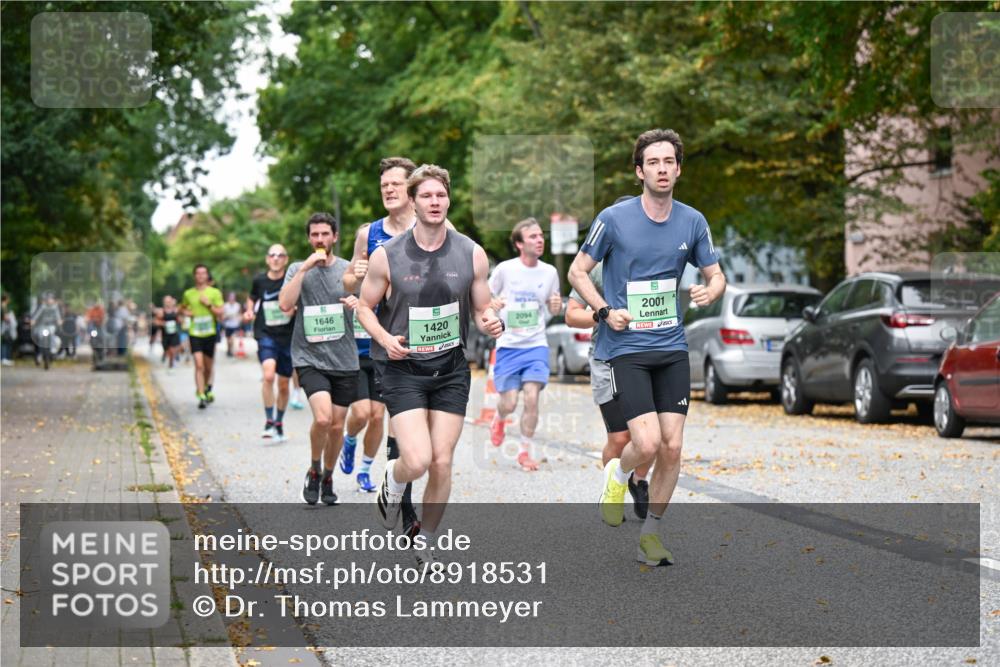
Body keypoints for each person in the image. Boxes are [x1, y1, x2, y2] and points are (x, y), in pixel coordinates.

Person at [568, 129, 726, 566]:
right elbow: (578, 272)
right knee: (648, 442)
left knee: (673, 448)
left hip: (671, 347)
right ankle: (619, 474)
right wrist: (603, 311)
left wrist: (711, 291)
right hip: (627, 349)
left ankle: (651, 534)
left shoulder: (692, 221)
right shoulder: (614, 219)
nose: (661, 169)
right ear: (640, 171)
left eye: (668, 162)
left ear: (678, 169)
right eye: (653, 162)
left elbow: (717, 275)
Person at [357, 164, 503, 568]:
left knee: (442, 460)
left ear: (448, 199)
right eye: (426, 196)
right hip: (403, 368)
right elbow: (365, 309)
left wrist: (493, 321)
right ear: (413, 201)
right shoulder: (387, 255)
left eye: (440, 195)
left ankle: (427, 537)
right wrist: (385, 339)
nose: (434, 202)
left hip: (451, 369)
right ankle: (394, 476)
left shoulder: (470, 252)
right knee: (417, 459)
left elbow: (482, 308)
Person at [342, 156, 418, 502]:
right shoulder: (368, 234)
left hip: (421, 338)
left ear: (411, 187)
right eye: (384, 185)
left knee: (403, 416)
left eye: (395, 184)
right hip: (379, 338)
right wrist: (355, 276)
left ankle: (394, 476)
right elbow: (346, 282)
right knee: (383, 411)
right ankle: (394, 484)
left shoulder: (431, 227)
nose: (388, 189)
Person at [279, 213, 360, 506]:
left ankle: (328, 475)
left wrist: (358, 302)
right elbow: (286, 304)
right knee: (323, 418)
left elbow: (371, 303)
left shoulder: (347, 271)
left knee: (338, 426)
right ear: (309, 238)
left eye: (325, 234)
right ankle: (314, 469)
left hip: (345, 358)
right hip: (308, 356)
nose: (320, 240)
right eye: (315, 235)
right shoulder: (297, 269)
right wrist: (303, 271)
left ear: (335, 237)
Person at [565, 254, 650, 518]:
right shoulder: (596, 269)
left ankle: (639, 479)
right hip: (607, 357)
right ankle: (614, 487)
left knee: (651, 436)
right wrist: (602, 314)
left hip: (648, 357)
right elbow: (571, 315)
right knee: (620, 437)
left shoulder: (653, 260)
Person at [487, 217, 562, 471]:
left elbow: (550, 310)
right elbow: (484, 297)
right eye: (533, 237)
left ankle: (524, 451)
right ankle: (499, 418)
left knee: (531, 398)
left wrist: (555, 308)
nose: (539, 240)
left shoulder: (550, 272)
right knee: (508, 403)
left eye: (541, 236)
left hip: (536, 345)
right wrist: (492, 304)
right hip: (508, 345)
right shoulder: (505, 270)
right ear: (519, 243)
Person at [247, 244, 296, 442]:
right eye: (272, 255)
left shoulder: (291, 280)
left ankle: (279, 422)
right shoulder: (259, 280)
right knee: (268, 376)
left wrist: (294, 308)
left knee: (284, 386)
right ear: (267, 259)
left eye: (280, 255)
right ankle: (268, 420)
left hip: (288, 337)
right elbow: (252, 298)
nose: (276, 259)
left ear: (285, 259)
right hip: (265, 333)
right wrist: (250, 310)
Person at [179, 264, 224, 409]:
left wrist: (209, 305)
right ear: (194, 276)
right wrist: (186, 313)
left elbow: (220, 313)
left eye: (203, 273)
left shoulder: (214, 292)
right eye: (197, 273)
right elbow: (181, 309)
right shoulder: (188, 293)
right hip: (195, 333)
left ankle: (206, 387)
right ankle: (201, 393)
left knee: (208, 367)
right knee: (199, 364)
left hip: (210, 333)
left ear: (207, 275)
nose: (200, 276)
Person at [31, 293, 63, 364]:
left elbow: (58, 316)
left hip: (51, 326)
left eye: (51, 299)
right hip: (42, 326)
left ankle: (52, 350)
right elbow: (37, 314)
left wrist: (59, 321)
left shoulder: (55, 308)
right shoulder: (43, 307)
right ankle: (39, 354)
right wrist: (33, 320)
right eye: (48, 299)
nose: (49, 301)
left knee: (52, 335)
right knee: (39, 337)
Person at [158, 296, 182, 372]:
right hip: (165, 335)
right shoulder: (161, 311)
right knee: (167, 350)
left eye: (169, 301)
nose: (168, 303)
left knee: (172, 350)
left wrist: (180, 320)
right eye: (166, 301)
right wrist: (163, 323)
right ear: (164, 302)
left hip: (174, 334)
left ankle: (171, 365)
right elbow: (156, 321)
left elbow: (180, 320)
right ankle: (165, 355)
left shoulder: (175, 311)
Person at [222, 292, 243, 357]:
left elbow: (240, 314)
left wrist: (240, 319)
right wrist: (225, 317)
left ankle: (231, 350)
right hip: (227, 324)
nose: (231, 299)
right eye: (230, 298)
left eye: (233, 298)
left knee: (232, 338)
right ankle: (228, 349)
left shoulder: (238, 305)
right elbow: (222, 315)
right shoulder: (225, 305)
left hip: (235, 324)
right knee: (228, 339)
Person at [1, 295, 17, 366]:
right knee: (5, 342)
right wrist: (11, 319)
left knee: (6, 342)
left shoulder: (4, 307)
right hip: (4, 328)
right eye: (9, 298)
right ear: (6, 299)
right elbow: (5, 318)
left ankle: (5, 358)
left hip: (4, 327)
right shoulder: (3, 307)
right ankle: (4, 358)